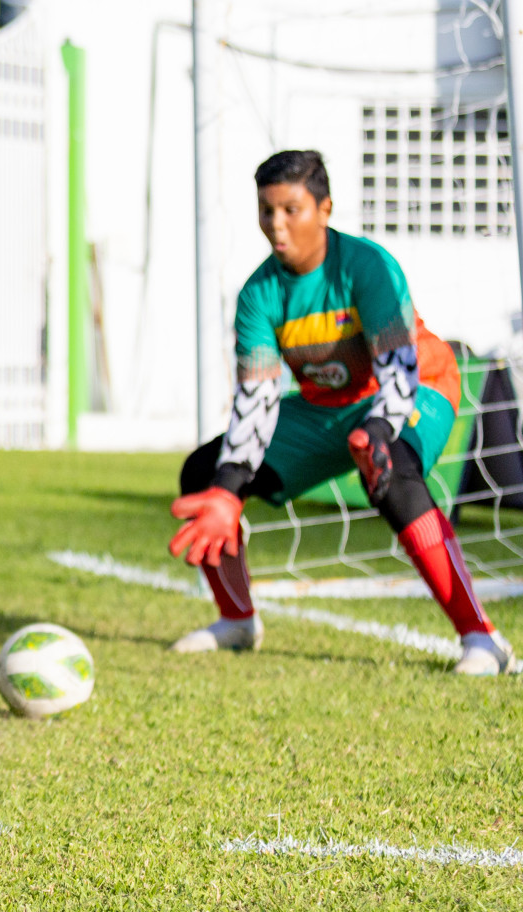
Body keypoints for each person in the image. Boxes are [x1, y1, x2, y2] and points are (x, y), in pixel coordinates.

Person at [169, 149, 516, 676]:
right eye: (267, 211)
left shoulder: (367, 266)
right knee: (203, 470)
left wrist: (376, 430)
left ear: (325, 208)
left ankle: (482, 639)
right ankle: (237, 621)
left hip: (414, 389)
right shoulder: (258, 296)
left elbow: (399, 372)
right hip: (325, 412)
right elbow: (256, 402)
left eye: (291, 210)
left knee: (391, 468)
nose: (276, 225)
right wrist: (228, 485)